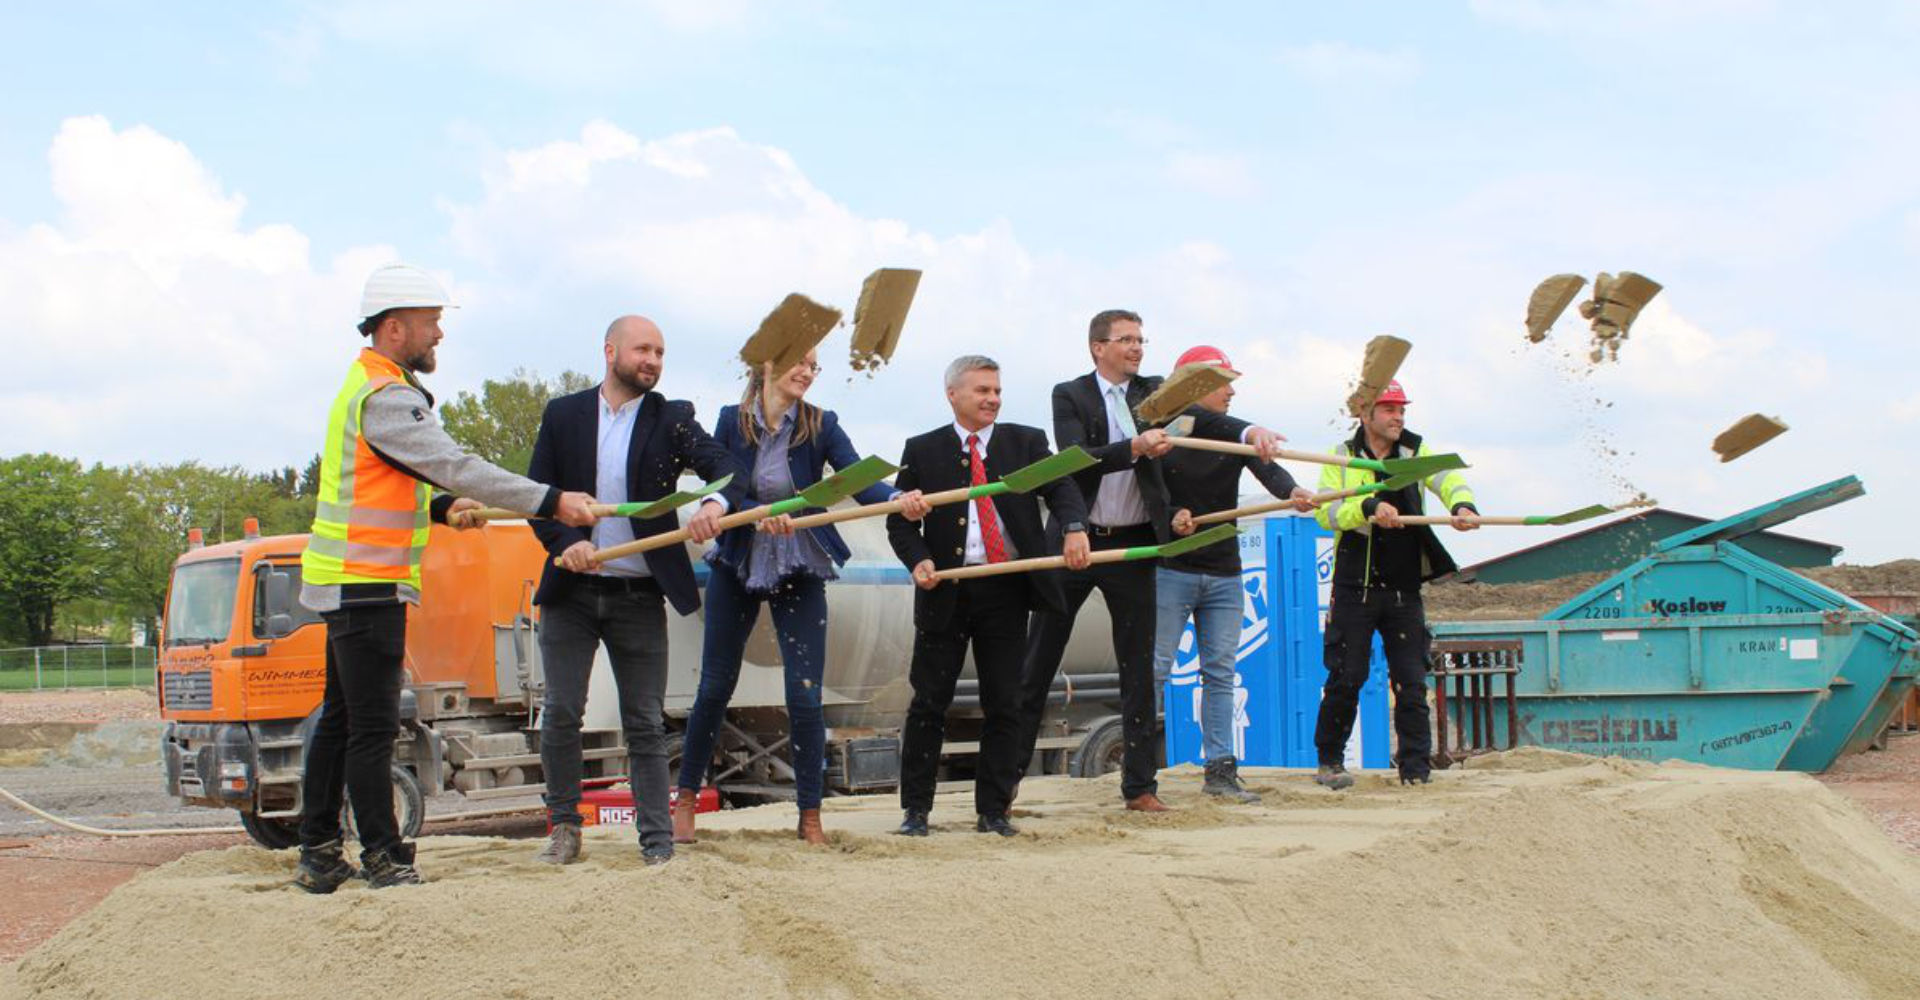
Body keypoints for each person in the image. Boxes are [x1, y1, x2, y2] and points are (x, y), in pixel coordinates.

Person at [296, 263, 597, 892]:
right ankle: (382, 857)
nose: (439, 335)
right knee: (371, 728)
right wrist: (551, 500)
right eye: (432, 323)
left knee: (341, 720)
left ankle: (320, 853)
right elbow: (453, 463)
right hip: (366, 584)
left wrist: (437, 508)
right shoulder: (388, 397)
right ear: (396, 326)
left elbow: (390, 480)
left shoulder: (364, 383)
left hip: (344, 580)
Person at [1015, 310, 1283, 812]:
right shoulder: (1069, 394)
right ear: (1098, 347)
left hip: (1136, 546)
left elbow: (1210, 418)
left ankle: (1139, 787)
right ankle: (1006, 783)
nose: (1136, 348)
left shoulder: (1154, 394)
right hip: (1078, 542)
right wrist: (1134, 447)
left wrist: (1251, 433)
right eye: (1125, 340)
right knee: (1038, 662)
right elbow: (1077, 457)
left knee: (1140, 671)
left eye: (1141, 339)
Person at [673, 349, 931, 845]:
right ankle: (686, 799)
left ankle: (809, 814)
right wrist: (756, 511)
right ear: (769, 362)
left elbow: (854, 477)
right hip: (741, 555)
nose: (808, 373)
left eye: (815, 366)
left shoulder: (820, 423)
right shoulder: (731, 421)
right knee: (714, 686)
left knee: (805, 693)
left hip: (801, 559)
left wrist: (898, 499)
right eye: (800, 362)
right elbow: (723, 484)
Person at [524, 315, 747, 866]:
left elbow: (726, 469)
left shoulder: (672, 418)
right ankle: (564, 828)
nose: (652, 360)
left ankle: (656, 841)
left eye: (660, 352)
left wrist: (714, 506)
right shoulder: (563, 414)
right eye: (643, 349)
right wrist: (565, 542)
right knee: (560, 714)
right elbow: (537, 497)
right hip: (573, 590)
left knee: (645, 721)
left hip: (639, 593)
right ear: (610, 351)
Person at [887, 356, 1090, 837]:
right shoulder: (923, 449)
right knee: (928, 703)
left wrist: (1075, 528)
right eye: (981, 390)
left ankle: (994, 811)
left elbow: (1062, 486)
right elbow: (900, 520)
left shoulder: (1027, 441)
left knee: (1006, 703)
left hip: (1007, 588)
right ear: (952, 394)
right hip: (946, 590)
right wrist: (918, 561)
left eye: (997, 390)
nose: (992, 399)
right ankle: (916, 811)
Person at [1161, 345, 1316, 803]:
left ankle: (1221, 770)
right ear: (1195, 385)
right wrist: (1172, 513)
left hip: (1225, 571)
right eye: (1222, 383)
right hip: (1171, 568)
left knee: (1221, 673)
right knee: (1153, 669)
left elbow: (1268, 470)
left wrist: (1293, 492)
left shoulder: (1232, 434)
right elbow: (1146, 492)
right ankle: (1139, 774)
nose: (1231, 392)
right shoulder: (1162, 432)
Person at [1311, 380, 1476, 789]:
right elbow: (1326, 513)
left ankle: (1416, 769)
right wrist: (1367, 507)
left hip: (1404, 588)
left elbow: (1448, 479)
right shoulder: (1343, 456)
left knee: (1411, 680)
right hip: (1356, 586)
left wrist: (1462, 505)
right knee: (1346, 677)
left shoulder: (1416, 452)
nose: (1399, 417)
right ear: (1365, 414)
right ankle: (1330, 760)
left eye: (1402, 409)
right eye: (1389, 409)